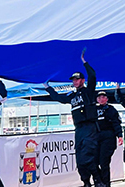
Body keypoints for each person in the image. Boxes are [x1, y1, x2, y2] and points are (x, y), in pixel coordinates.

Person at [45, 51, 101, 187]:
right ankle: (86, 182)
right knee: (80, 159)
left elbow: (92, 75)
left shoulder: (88, 91)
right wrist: (47, 87)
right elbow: (59, 98)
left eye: (77, 79)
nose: (75, 81)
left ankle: (98, 181)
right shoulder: (72, 95)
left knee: (89, 156)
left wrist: (84, 61)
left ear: (82, 80)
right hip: (79, 130)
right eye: (73, 80)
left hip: (90, 127)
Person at [95, 91, 123, 187]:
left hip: (108, 138)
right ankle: (99, 182)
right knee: (93, 161)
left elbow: (116, 123)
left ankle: (106, 184)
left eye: (103, 97)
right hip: (96, 137)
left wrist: (119, 135)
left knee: (104, 162)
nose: (101, 99)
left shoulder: (111, 109)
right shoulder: (94, 109)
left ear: (107, 99)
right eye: (99, 97)